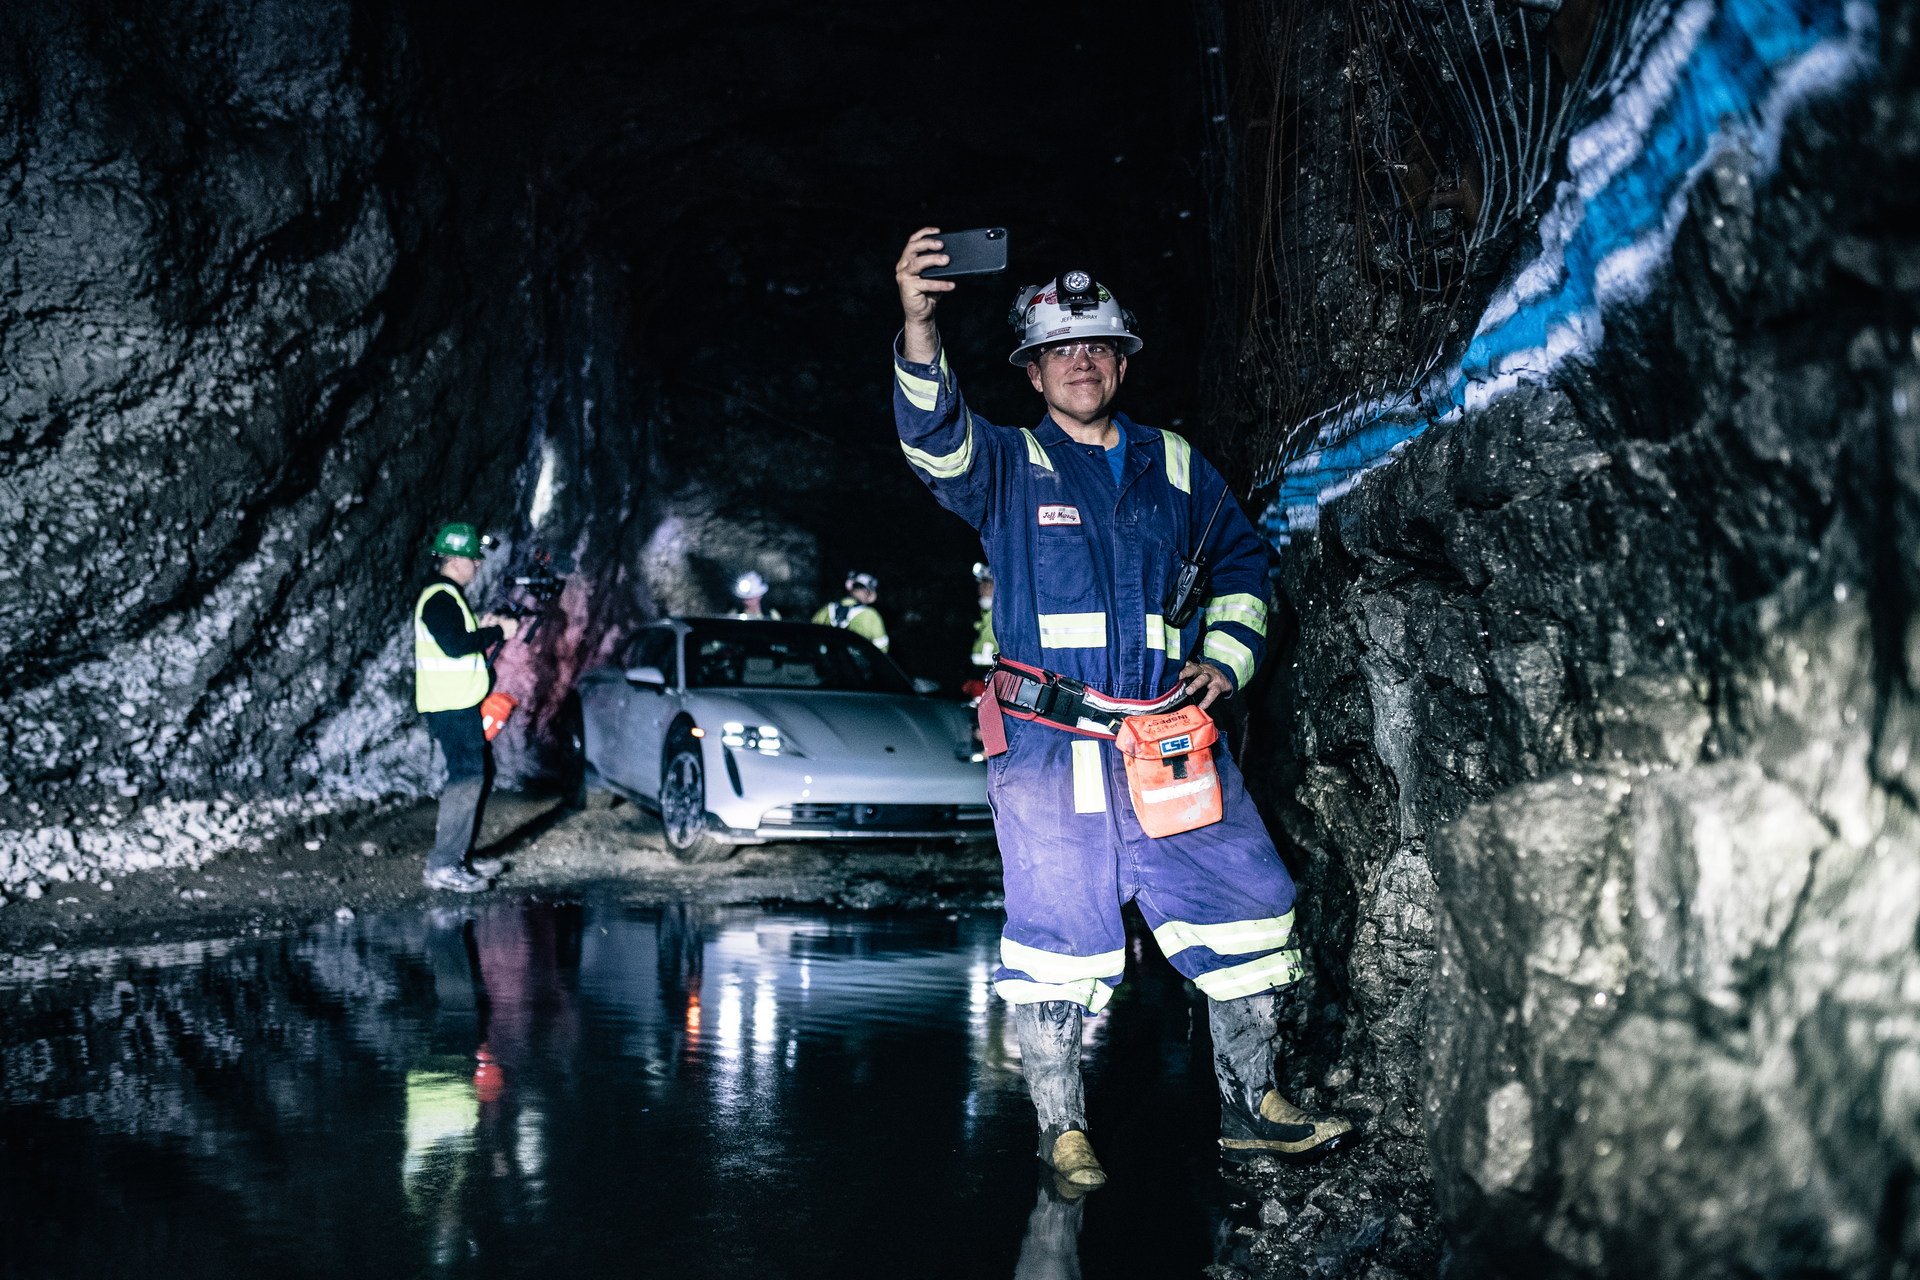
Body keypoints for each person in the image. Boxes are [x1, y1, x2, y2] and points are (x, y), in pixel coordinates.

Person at [890, 229, 1352, 1187]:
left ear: (1124, 358)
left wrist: (1226, 660)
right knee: (1058, 940)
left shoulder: (1176, 465)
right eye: (1061, 348)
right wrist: (919, 323)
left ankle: (1253, 1106)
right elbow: (934, 444)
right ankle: (1065, 1130)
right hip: (1049, 749)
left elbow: (1242, 564)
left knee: (1251, 908)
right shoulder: (1006, 465)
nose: (1082, 361)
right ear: (1031, 370)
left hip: (1170, 741)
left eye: (1098, 344)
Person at [414, 521, 518, 892]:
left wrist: (482, 624)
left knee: (477, 775)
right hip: (451, 707)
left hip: (458, 704)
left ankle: (460, 856)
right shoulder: (440, 596)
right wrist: (496, 633)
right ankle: (444, 866)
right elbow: (456, 645)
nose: (477, 565)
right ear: (456, 559)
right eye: (473, 559)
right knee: (467, 778)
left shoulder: (447, 597)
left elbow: (458, 635)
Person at [811, 570, 890, 651]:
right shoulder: (871, 615)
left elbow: (811, 636)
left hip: (827, 661)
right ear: (869, 593)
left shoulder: (827, 609)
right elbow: (882, 648)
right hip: (856, 662)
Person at [970, 561, 998, 669]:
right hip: (975, 674)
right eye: (982, 584)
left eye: (990, 584)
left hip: (996, 675)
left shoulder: (1004, 620)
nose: (984, 589)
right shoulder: (976, 615)